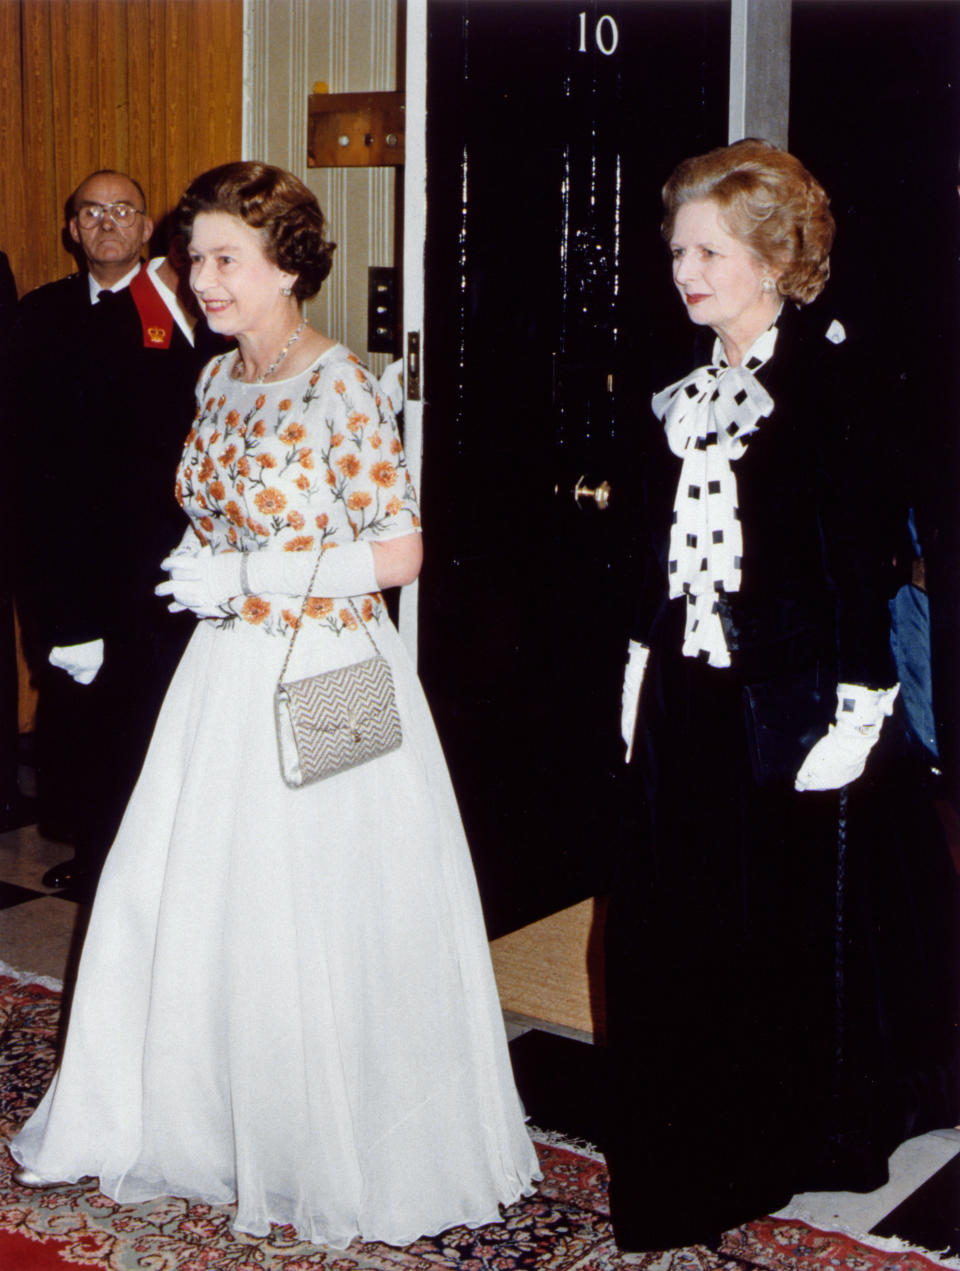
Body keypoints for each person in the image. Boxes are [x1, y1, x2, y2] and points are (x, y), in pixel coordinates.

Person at [10, 161, 539, 1248]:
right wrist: (207, 565)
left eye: (224, 260)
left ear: (289, 265)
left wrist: (256, 578)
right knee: (203, 902)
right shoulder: (218, 379)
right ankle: (209, 1122)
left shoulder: (338, 380)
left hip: (333, 667)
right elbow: (221, 514)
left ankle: (338, 1143)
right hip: (224, 671)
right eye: (193, 257)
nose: (201, 278)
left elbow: (401, 552)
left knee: (330, 910)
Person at [604, 139, 960, 1253]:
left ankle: (805, 1125)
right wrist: (636, 660)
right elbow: (650, 548)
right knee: (672, 912)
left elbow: (859, 559)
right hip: (690, 686)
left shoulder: (833, 383)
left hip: (801, 698)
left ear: (772, 255)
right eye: (677, 249)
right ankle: (700, 1114)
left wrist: (860, 707)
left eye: (708, 249)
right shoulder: (684, 384)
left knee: (807, 923)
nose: (685, 269)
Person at [13, 169, 225, 894]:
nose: (106, 222)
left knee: (140, 716)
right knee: (76, 719)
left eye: (122, 210)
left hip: (148, 556)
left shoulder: (185, 314)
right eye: (90, 212)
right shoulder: (41, 313)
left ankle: (130, 861)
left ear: (146, 229)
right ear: (72, 230)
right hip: (63, 553)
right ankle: (98, 847)